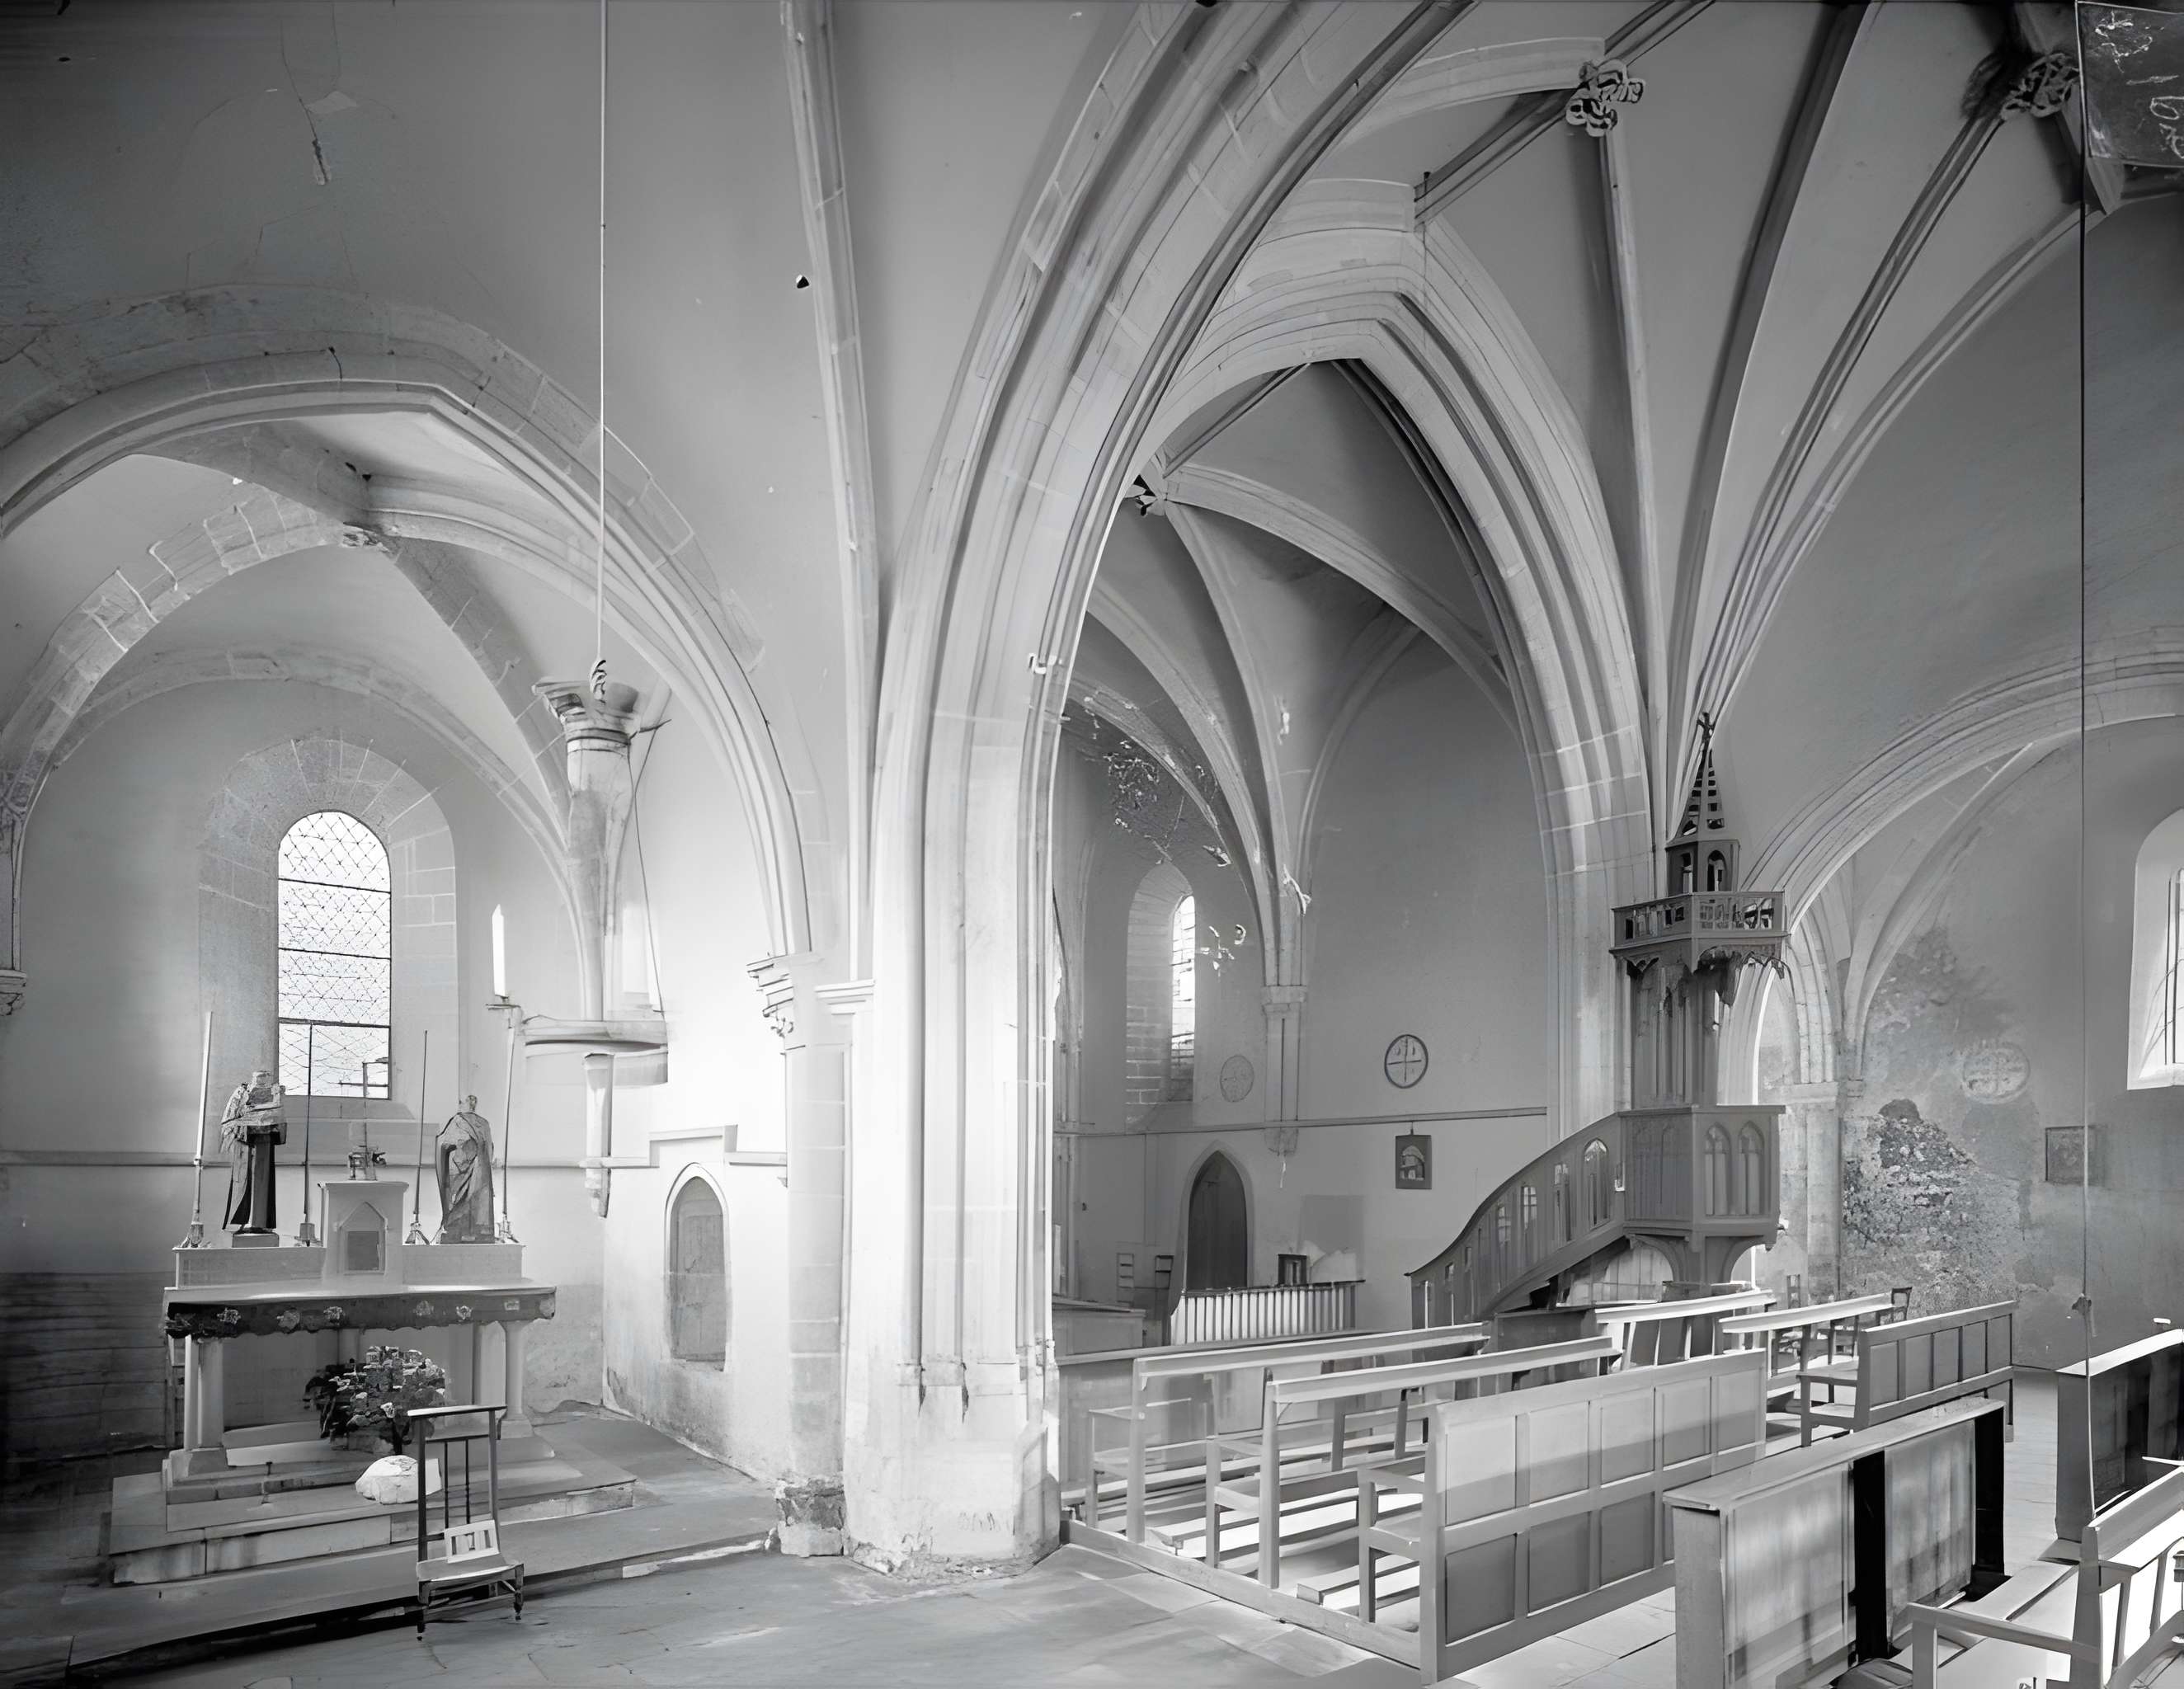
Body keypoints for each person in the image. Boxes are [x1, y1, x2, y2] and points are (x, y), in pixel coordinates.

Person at [220, 1070, 287, 1235]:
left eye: (265, 1077)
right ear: (253, 1077)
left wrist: (267, 1114)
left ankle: (260, 1221)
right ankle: (241, 1222)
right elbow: (231, 1115)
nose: (262, 1080)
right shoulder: (242, 1091)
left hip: (265, 1140)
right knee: (242, 1179)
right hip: (245, 1140)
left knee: (263, 1181)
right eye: (259, 1077)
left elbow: (278, 1115)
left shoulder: (275, 1091)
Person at [435, 1095, 497, 1243]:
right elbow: (490, 1149)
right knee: (478, 1201)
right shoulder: (485, 1124)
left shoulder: (458, 1121)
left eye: (460, 1103)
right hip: (483, 1174)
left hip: (465, 1173)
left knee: (460, 1204)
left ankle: (458, 1229)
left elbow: (445, 1144)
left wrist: (439, 1144)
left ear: (465, 1105)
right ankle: (481, 1230)